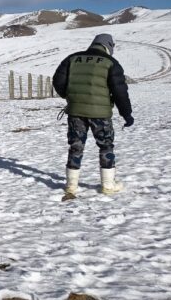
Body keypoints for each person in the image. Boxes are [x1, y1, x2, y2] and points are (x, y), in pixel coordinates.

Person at [52, 33, 133, 197]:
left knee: (76, 147)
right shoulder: (110, 62)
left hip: (75, 112)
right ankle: (108, 185)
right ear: (108, 46)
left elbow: (57, 81)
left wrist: (70, 97)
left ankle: (71, 186)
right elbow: (120, 91)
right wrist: (126, 114)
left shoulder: (72, 58)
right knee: (106, 146)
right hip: (101, 114)